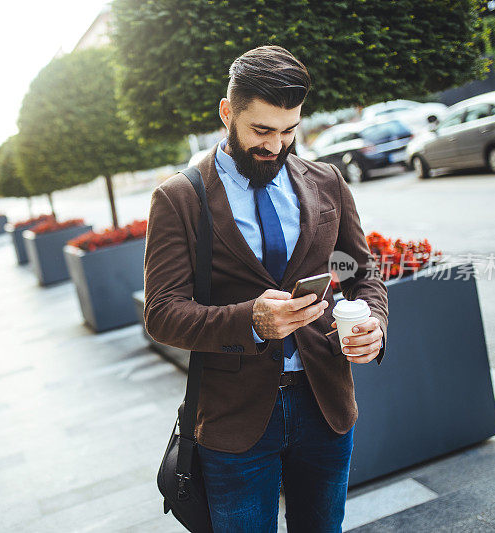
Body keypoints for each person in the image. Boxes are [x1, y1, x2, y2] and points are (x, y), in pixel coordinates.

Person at [143, 45, 389, 532]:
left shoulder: (327, 181)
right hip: (234, 422)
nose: (276, 146)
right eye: (261, 130)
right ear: (227, 113)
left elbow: (363, 272)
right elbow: (162, 311)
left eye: (289, 130)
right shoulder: (179, 198)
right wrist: (249, 321)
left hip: (326, 406)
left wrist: (374, 323)